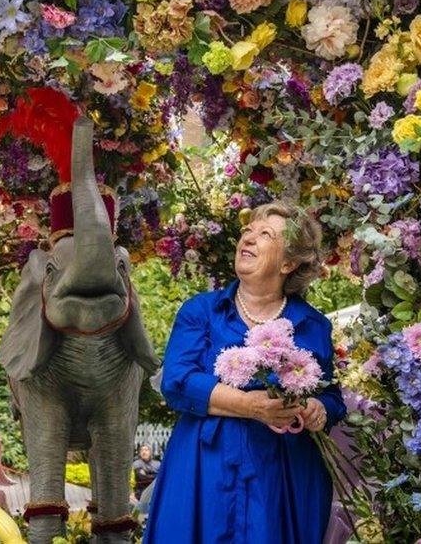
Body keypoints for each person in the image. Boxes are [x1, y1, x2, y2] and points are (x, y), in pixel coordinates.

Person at [143, 202, 346, 544]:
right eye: (247, 231)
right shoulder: (202, 311)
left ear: (288, 263)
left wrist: (318, 409)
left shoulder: (313, 325)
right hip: (203, 466)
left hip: (283, 475)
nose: (248, 239)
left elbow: (331, 395)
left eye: (264, 234)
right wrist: (250, 405)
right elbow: (176, 381)